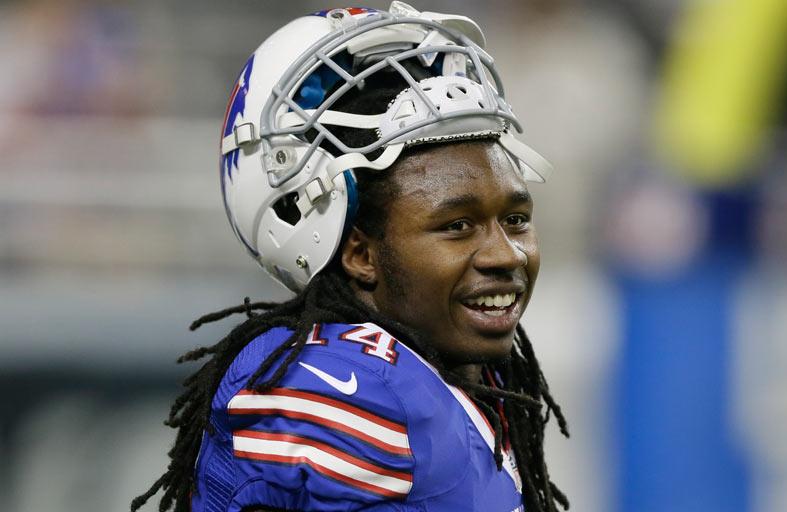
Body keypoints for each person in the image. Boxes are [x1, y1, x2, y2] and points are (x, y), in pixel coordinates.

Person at [132, 4, 568, 512]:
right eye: (457, 226)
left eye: (515, 218)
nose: (505, 254)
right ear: (360, 252)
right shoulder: (341, 388)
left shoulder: (460, 369)